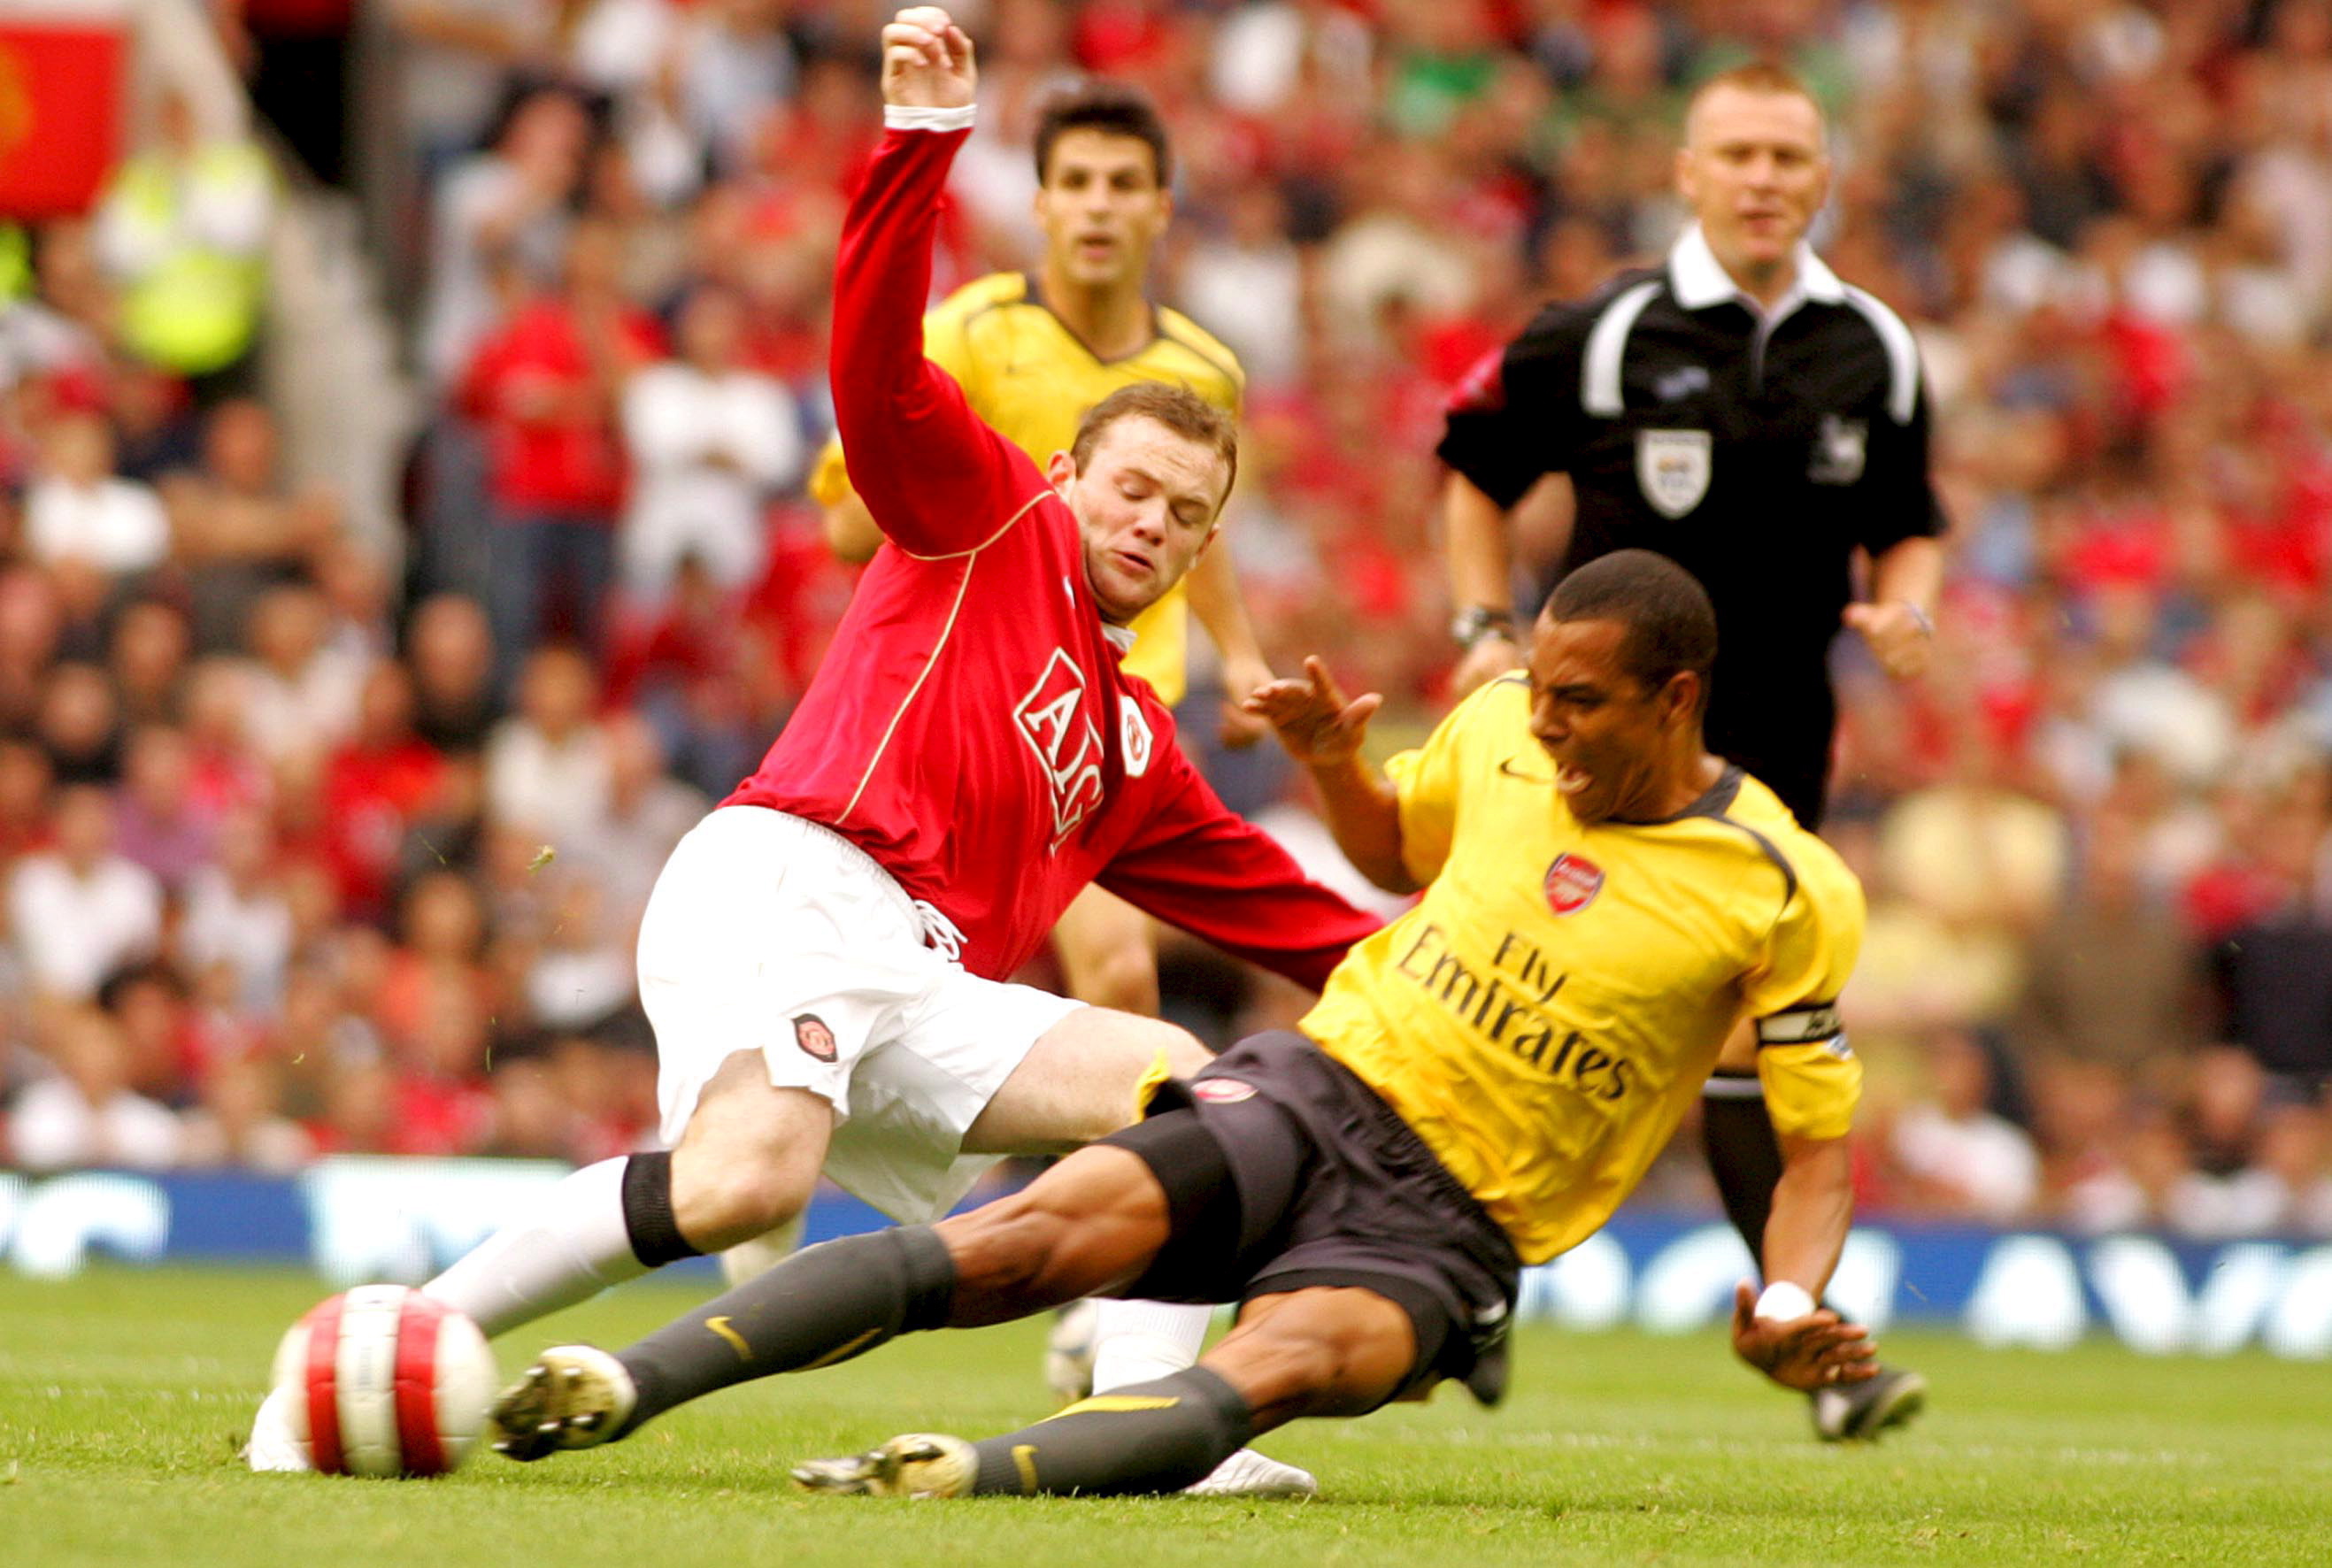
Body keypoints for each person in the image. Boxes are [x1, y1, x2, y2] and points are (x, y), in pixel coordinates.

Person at [245, 10, 1379, 1497]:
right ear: (1067, 477)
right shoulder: (990, 516)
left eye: (1185, 513)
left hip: (918, 978)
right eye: (1133, 489)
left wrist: (1501, 995)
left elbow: (1313, 929)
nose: (1151, 523)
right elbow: (874, 369)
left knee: (1184, 1086)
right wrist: (916, 150)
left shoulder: (1130, 741)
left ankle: (1140, 1434)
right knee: (742, 1188)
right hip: (795, 882)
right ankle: (380, 1349)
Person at [484, 540, 1878, 1500]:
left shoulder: (1781, 888)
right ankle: (620, 1380)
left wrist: (1795, 1296)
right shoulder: (1503, 719)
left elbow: (1814, 1151)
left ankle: (967, 1478)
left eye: (1584, 704)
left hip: (1457, 1224)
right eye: (1545, 694)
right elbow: (1399, 854)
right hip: (1320, 1091)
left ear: (1677, 698)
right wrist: (1338, 764)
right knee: (1017, 1243)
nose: (1550, 726)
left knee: (1282, 1364)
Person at [1435, 60, 1942, 1443]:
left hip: (1770, 764)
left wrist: (1908, 600)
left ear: (1825, 173)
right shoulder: (1599, 331)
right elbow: (1473, 473)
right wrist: (1488, 627)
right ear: (1689, 173)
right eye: (1741, 154)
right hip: (1587, 748)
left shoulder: (1875, 350)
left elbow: (1911, 515)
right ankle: (1468, 1279)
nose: (1767, 178)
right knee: (1518, 1004)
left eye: (1791, 153)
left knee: (1756, 1040)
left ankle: (1799, 1331)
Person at [808, 55, 1294, 1484]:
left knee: (1128, 988)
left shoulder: (1205, 370)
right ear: (1039, 203)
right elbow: (854, 523)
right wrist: (1012, 513)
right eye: (1072, 181)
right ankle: (1089, 1284)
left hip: (1117, 729)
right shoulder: (970, 329)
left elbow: (1205, 549)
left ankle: (1105, 1306)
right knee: (1085, 1010)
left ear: (1158, 207)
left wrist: (1251, 661)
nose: (1096, 206)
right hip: (979, 699)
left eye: (1123, 183)